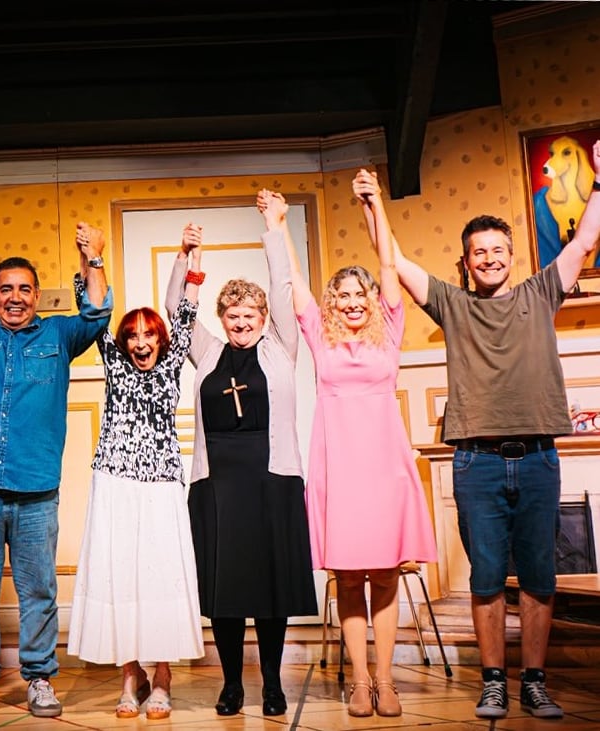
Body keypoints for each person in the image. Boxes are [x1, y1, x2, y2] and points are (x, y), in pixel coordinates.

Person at [362, 139, 600, 721]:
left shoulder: (542, 291)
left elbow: (584, 241)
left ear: (511, 256)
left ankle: (534, 682)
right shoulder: (452, 305)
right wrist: (373, 203)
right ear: (466, 262)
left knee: (540, 577)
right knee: (488, 577)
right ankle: (494, 681)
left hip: (539, 457)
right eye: (478, 252)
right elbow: (392, 259)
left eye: (497, 250)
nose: (489, 259)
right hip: (476, 462)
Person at [0, 220, 113, 720]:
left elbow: (97, 311)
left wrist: (93, 256)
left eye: (24, 289)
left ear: (36, 296)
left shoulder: (59, 334)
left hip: (35, 489)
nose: (15, 297)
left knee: (38, 592)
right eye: (6, 289)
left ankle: (39, 678)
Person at [265, 183, 436, 717]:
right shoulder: (320, 333)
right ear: (333, 302)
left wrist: (375, 203)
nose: (353, 302)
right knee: (349, 578)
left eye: (360, 294)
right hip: (339, 470)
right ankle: (359, 680)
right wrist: (278, 226)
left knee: (384, 574)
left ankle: (386, 680)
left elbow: (388, 263)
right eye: (343, 295)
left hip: (385, 469)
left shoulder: (390, 327)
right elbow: (294, 281)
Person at [165, 198, 317, 718]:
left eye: (250, 315)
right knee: (225, 592)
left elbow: (282, 285)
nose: (241, 322)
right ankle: (232, 684)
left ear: (264, 317)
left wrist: (273, 227)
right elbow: (176, 310)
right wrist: (188, 257)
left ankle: (272, 683)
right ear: (222, 319)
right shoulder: (207, 351)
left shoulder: (281, 347)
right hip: (217, 486)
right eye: (233, 316)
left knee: (270, 591)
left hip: (271, 482)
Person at [67, 223, 205, 720]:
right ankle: (131, 675)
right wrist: (89, 256)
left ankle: (162, 675)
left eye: (149, 334)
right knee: (119, 575)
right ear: (124, 342)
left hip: (162, 483)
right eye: (133, 335)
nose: (141, 342)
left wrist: (188, 254)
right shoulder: (114, 361)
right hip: (114, 481)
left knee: (160, 577)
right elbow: (89, 305)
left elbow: (186, 310)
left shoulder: (171, 362)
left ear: (160, 340)